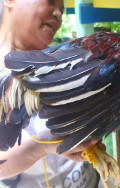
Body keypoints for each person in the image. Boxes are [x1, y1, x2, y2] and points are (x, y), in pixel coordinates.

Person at [0, 0, 104, 187]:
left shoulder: (66, 61)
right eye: (50, 2)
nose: (58, 14)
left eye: (62, 10)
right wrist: (41, 147)